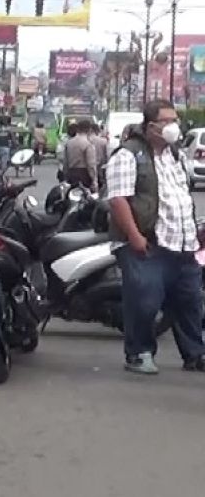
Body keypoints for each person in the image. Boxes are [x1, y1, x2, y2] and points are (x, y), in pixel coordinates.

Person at [105, 100, 205, 375]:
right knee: (144, 302)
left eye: (176, 119)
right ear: (152, 126)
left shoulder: (175, 154)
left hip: (182, 244)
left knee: (190, 303)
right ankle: (139, 353)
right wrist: (135, 237)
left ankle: (196, 354)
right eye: (168, 120)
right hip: (148, 244)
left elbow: (182, 194)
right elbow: (118, 200)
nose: (175, 125)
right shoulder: (128, 155)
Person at [62, 119, 98, 191]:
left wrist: (65, 176)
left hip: (71, 174)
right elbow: (91, 165)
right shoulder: (88, 144)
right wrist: (94, 180)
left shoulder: (69, 143)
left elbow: (65, 162)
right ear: (89, 130)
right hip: (84, 175)